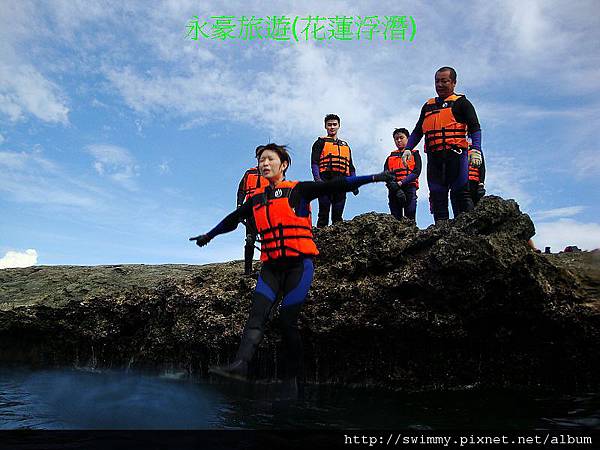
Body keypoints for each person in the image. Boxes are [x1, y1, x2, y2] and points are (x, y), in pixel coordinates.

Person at [190, 143, 393, 389]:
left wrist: (375, 177)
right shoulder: (256, 200)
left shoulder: (300, 190)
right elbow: (232, 220)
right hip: (271, 269)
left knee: (287, 321)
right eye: (261, 161)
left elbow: (337, 184)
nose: (264, 164)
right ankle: (240, 365)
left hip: (298, 267)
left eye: (269, 159)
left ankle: (295, 380)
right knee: (256, 317)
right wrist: (208, 236)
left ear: (283, 165)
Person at [403, 66, 483, 223]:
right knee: (437, 195)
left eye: (444, 81)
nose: (440, 85)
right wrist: (408, 149)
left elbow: (475, 127)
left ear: (453, 83)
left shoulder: (462, 103)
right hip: (435, 159)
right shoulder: (428, 106)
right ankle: (441, 232)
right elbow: (418, 130)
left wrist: (476, 149)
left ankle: (468, 234)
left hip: (456, 157)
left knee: (461, 194)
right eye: (437, 81)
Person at [311, 114, 358, 228]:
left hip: (341, 179)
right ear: (325, 127)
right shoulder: (320, 143)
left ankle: (338, 240)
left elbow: (350, 166)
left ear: (339, 126)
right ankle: (320, 239)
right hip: (325, 179)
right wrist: (317, 179)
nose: (332, 127)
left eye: (334, 124)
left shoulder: (345, 146)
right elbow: (314, 163)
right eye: (329, 125)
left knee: (338, 214)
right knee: (324, 211)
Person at [236, 146, 269, 275]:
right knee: (250, 239)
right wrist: (239, 207)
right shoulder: (249, 173)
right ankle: (248, 270)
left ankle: (268, 269)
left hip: (267, 211)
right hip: (251, 212)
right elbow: (241, 191)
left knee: (268, 240)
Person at [384, 128, 421, 222]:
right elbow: (386, 175)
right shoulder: (390, 157)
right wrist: (395, 188)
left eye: (401, 137)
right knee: (395, 219)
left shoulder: (415, 154)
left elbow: (416, 172)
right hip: (394, 190)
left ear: (408, 139)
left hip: (409, 188)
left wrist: (400, 183)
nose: (399, 140)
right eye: (396, 139)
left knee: (410, 218)